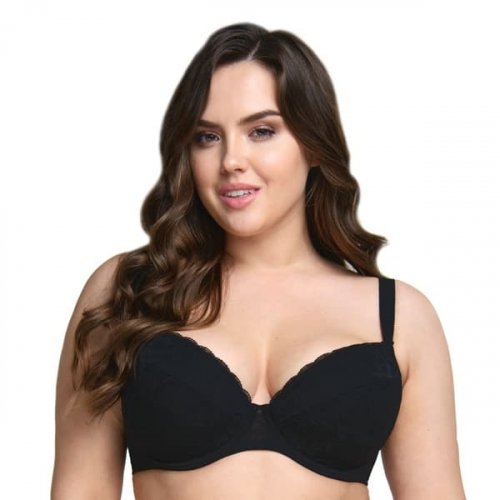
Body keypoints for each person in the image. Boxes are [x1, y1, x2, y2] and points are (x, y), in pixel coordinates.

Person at [51, 22, 466, 500]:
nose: (231, 159)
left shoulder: (399, 318)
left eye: (262, 131)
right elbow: (79, 489)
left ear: (313, 144)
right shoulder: (127, 291)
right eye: (207, 137)